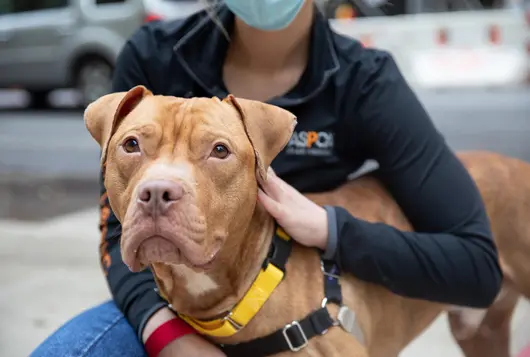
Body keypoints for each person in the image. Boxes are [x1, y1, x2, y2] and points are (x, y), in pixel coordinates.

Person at [30, 0, 503, 356]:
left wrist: (329, 227)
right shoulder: (156, 55)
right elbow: (116, 226)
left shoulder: (363, 79)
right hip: (165, 299)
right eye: (135, 146)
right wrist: (164, 332)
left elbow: (477, 266)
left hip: (299, 285)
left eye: (216, 150)